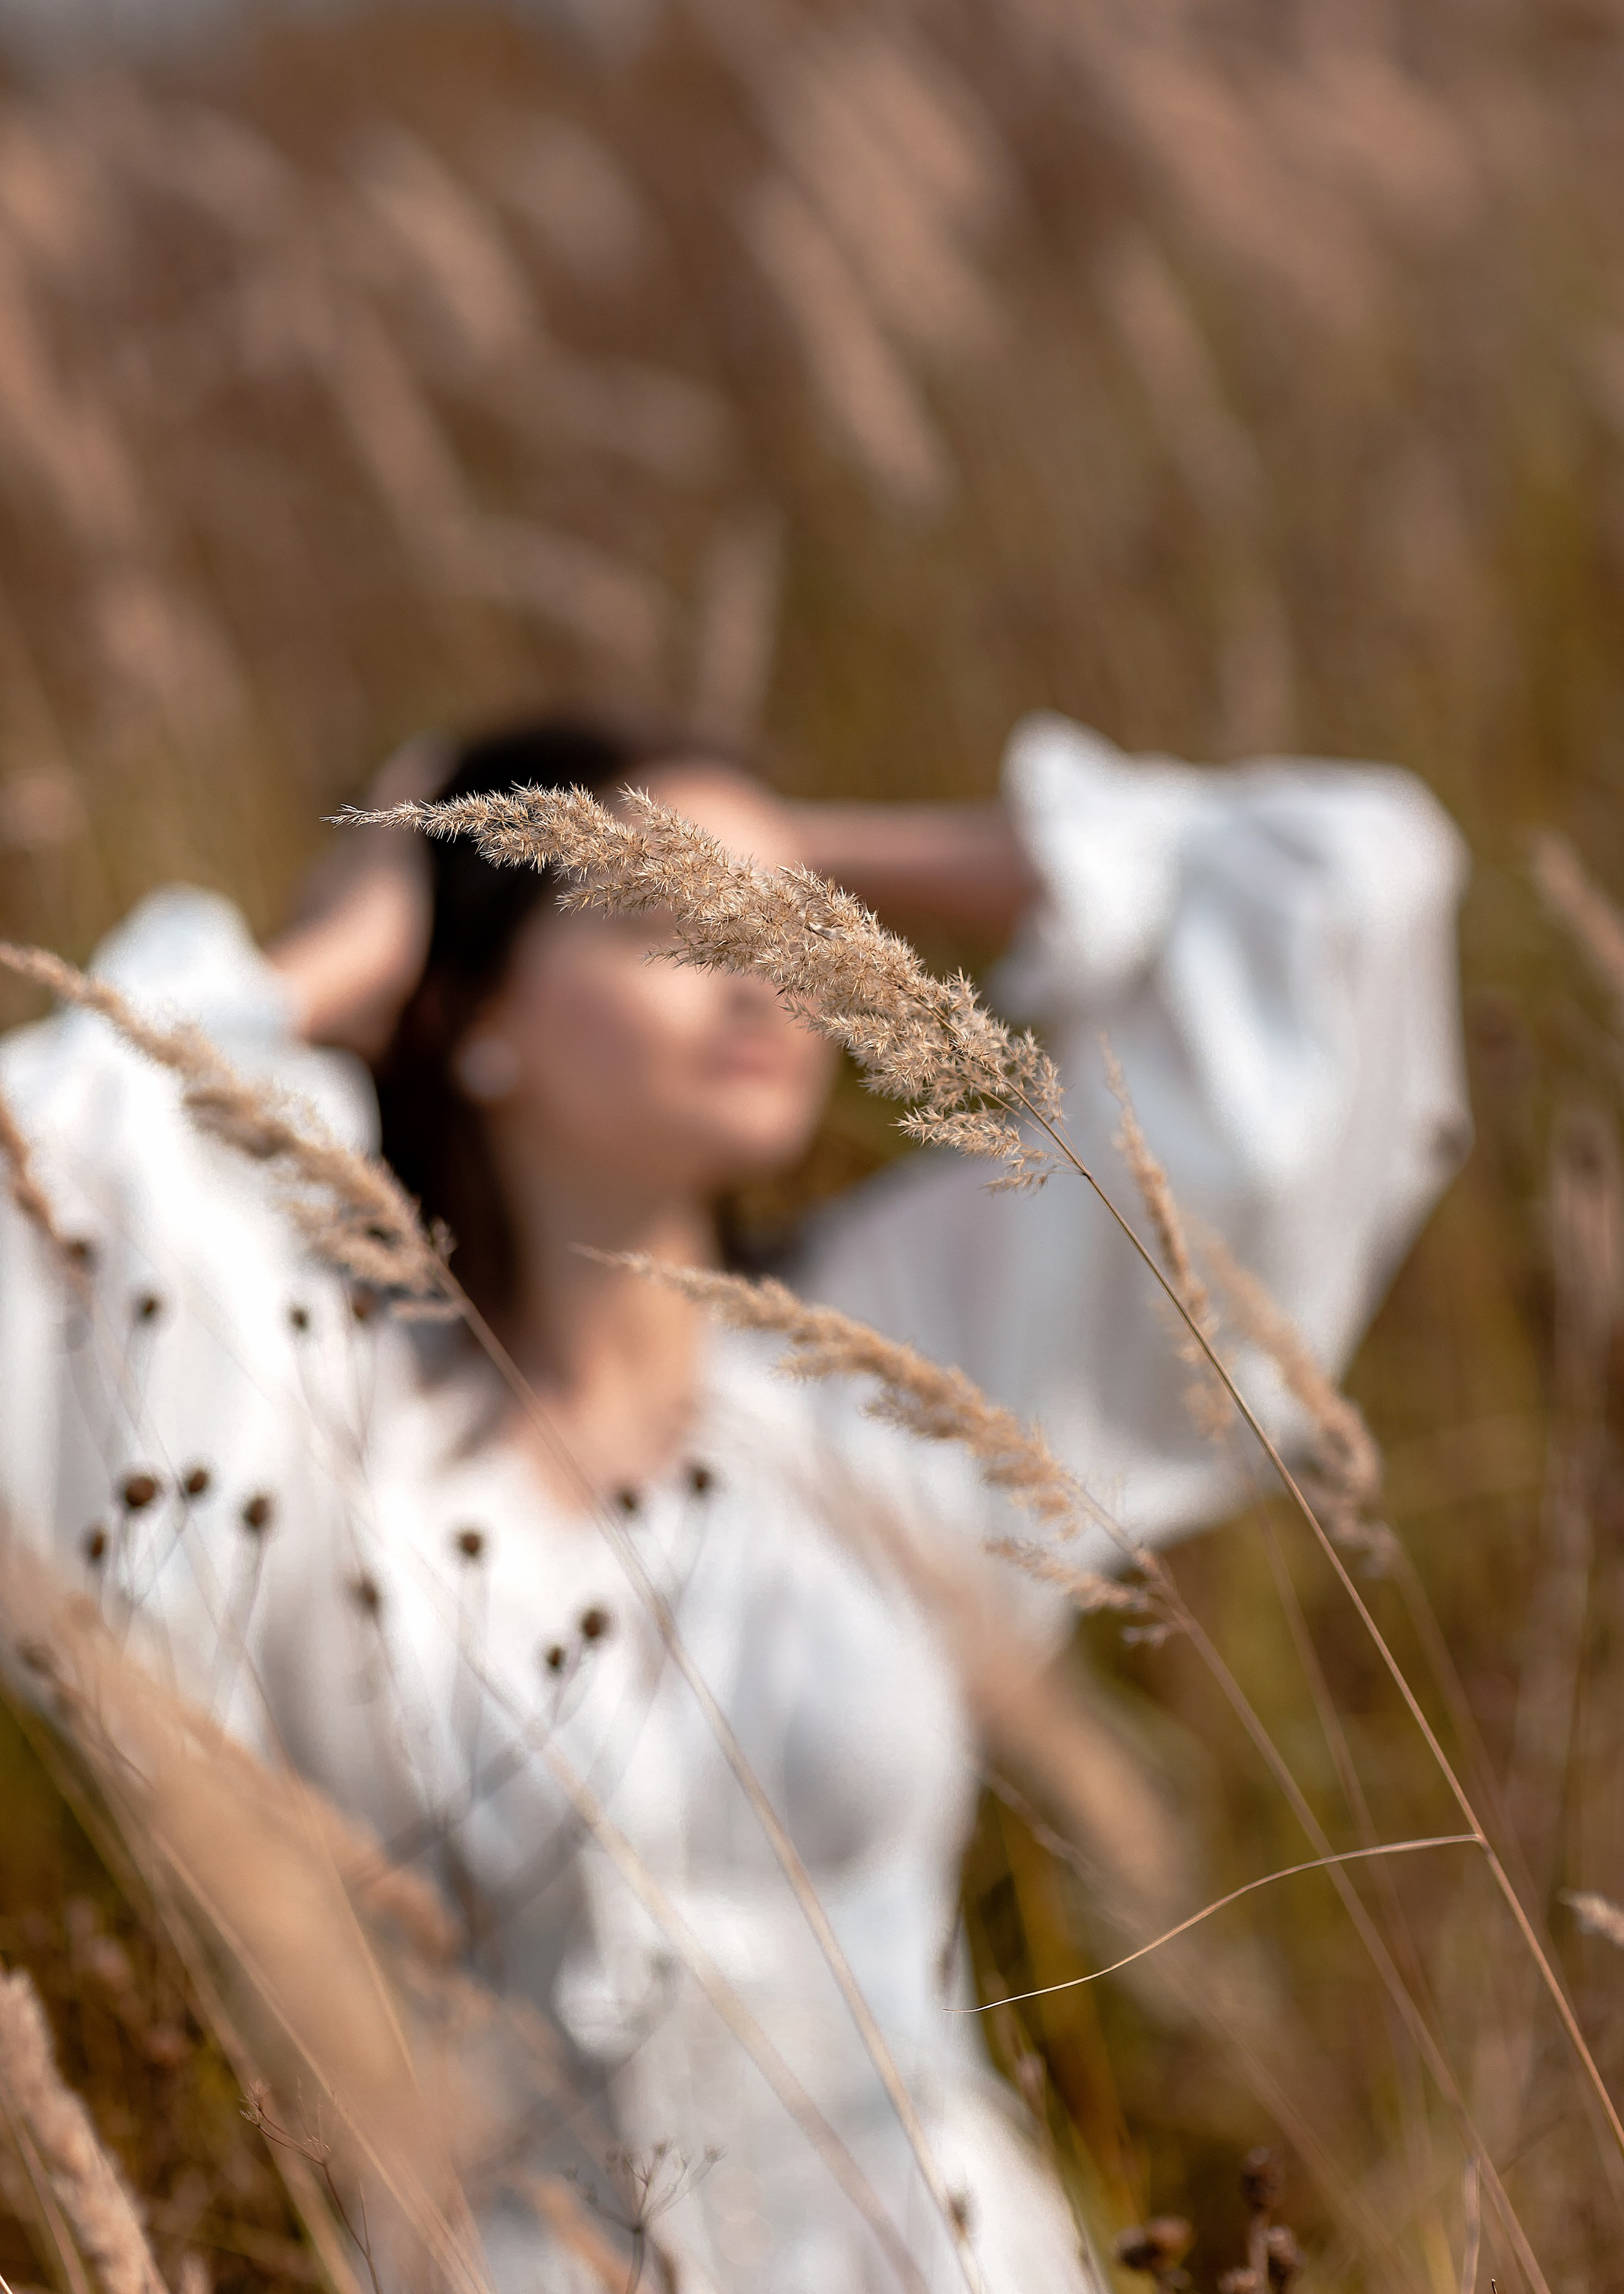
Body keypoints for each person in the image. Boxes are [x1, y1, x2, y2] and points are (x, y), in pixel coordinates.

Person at [0, 709, 1470, 2293]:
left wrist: (795, 846)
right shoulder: (326, 1444)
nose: (762, 967)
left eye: (789, 928)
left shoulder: (897, 1371)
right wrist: (361, 933)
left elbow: (1342, 883)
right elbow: (51, 1149)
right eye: (659, 918)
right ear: (473, 1012)